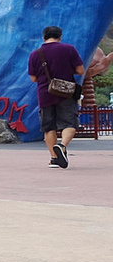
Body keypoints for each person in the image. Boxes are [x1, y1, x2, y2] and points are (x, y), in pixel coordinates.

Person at [27, 26, 84, 169]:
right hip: (66, 93)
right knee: (69, 123)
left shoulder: (35, 54)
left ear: (43, 37)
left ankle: (54, 158)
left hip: (45, 93)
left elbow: (33, 78)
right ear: (60, 36)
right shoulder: (69, 49)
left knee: (48, 127)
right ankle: (62, 146)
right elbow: (80, 70)